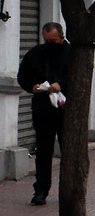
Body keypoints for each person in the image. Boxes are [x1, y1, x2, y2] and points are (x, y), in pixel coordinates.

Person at [17, 22, 70, 206]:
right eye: (46, 40)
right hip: (43, 108)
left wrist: (61, 84)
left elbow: (78, 75)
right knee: (44, 151)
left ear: (61, 37)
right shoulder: (36, 53)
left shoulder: (71, 53)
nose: (49, 44)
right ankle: (41, 190)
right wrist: (32, 86)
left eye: (53, 41)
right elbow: (22, 76)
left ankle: (70, 190)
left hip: (66, 109)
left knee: (69, 151)